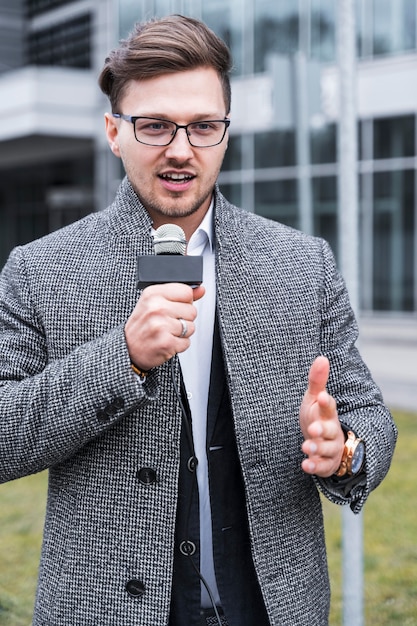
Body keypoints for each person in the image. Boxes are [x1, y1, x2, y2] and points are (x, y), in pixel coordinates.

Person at [0, 14, 397, 626]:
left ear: (226, 134)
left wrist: (344, 449)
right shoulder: (39, 270)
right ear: (113, 131)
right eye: (155, 125)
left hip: (274, 609)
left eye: (204, 126)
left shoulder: (301, 263)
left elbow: (366, 413)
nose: (181, 149)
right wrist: (121, 358)